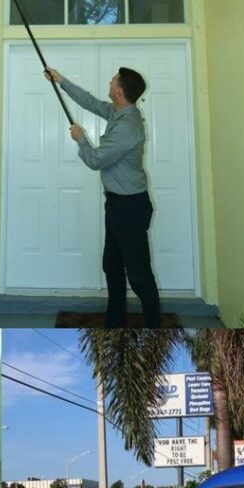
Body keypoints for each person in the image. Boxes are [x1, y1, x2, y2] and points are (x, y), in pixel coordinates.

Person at [43, 66, 161, 327]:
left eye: (113, 81)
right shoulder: (119, 112)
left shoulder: (127, 128)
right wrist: (61, 80)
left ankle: (154, 324)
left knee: (139, 277)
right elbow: (90, 102)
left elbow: (96, 160)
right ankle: (114, 322)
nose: (109, 82)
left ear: (119, 91)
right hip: (118, 206)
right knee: (112, 266)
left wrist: (80, 138)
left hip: (130, 208)